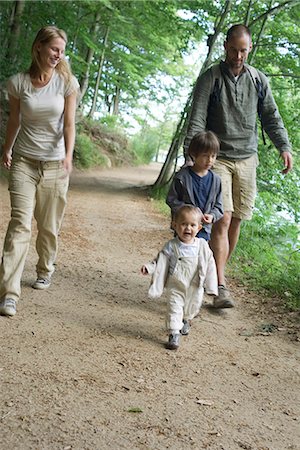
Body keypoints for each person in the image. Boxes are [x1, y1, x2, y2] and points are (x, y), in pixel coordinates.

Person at [183, 24, 293, 308]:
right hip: (216, 159)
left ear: (250, 48)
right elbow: (196, 117)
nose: (238, 55)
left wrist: (284, 146)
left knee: (237, 221)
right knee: (223, 218)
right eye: (234, 49)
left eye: (243, 50)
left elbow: (271, 116)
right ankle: (220, 287)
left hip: (248, 159)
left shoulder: (258, 80)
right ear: (225, 47)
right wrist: (190, 154)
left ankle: (212, 273)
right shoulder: (211, 78)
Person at [0, 26, 79, 317]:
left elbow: (69, 124)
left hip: (56, 164)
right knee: (19, 223)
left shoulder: (67, 82)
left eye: (62, 50)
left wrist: (68, 157)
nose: (59, 55)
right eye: (54, 49)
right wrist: (7, 149)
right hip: (24, 162)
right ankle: (8, 292)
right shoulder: (18, 83)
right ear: (39, 48)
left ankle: (45, 267)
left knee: (48, 227)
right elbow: (14, 121)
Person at [141, 205, 218, 350]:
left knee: (191, 308)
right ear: (175, 225)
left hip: (195, 285)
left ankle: (186, 320)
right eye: (183, 224)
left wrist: (212, 286)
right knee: (174, 307)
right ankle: (174, 333)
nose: (188, 228)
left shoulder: (202, 246)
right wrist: (150, 268)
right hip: (175, 284)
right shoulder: (172, 246)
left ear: (199, 228)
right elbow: (160, 260)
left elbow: (210, 265)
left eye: (192, 225)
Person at [166, 130, 223, 243]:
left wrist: (212, 216)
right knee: (181, 255)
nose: (210, 160)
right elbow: (171, 199)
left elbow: (219, 206)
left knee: (200, 257)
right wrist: (190, 213)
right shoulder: (182, 177)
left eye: (213, 156)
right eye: (205, 156)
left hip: (203, 230)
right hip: (184, 229)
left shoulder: (216, 180)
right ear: (194, 155)